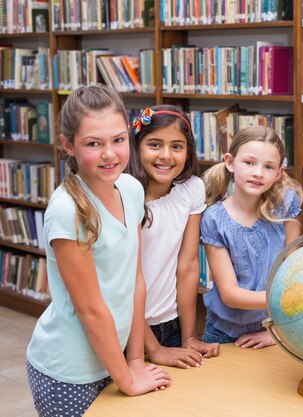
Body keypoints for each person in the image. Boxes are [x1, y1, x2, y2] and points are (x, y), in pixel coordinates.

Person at [25, 85, 171, 417]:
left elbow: (135, 280)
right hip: (68, 374)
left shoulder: (132, 189)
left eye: (118, 140)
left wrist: (134, 361)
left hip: (115, 360)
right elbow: (91, 310)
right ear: (68, 145)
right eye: (94, 143)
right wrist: (128, 379)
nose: (110, 154)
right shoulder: (68, 211)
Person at [126, 105, 220, 369]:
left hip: (171, 324)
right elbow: (124, 282)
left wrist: (188, 336)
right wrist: (153, 349)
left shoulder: (191, 189)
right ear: (136, 147)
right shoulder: (123, 195)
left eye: (177, 146)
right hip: (128, 330)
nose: (166, 156)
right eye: (155, 144)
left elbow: (188, 266)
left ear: (188, 151)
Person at [201, 126, 303, 349]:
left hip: (276, 330)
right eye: (249, 162)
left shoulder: (285, 205)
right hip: (223, 335)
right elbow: (230, 295)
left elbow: (292, 272)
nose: (258, 173)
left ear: (279, 174)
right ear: (230, 162)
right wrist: (292, 298)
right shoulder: (214, 219)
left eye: (268, 167)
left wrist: (277, 330)